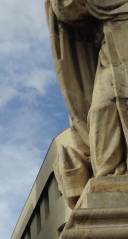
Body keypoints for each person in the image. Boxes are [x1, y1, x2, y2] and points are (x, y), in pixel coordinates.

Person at [47, 0, 128, 206]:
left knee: (104, 108)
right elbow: (69, 10)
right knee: (101, 109)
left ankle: (109, 179)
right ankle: (108, 176)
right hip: (111, 46)